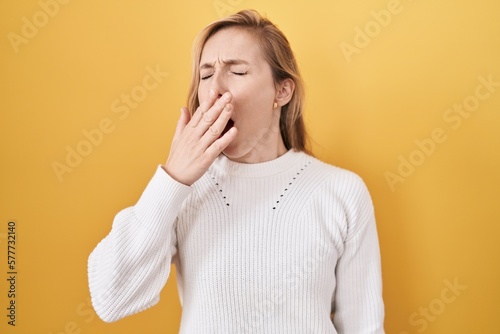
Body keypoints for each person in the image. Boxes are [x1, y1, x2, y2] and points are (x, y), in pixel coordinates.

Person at [88, 9, 385, 333]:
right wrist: (173, 179)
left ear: (281, 91)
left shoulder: (341, 191)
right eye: (205, 75)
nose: (214, 90)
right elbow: (111, 299)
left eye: (238, 72)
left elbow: (363, 326)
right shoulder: (183, 192)